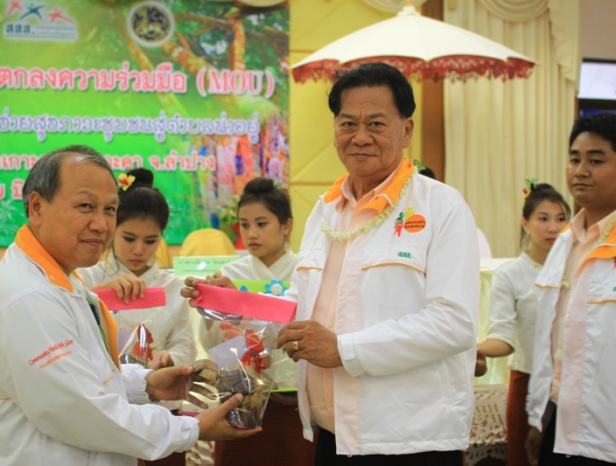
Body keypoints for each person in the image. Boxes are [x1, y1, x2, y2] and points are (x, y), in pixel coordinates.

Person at [184, 62, 480, 465]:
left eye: (376, 124)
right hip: (330, 438)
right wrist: (236, 304)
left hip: (408, 440)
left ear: (406, 130)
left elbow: (454, 323)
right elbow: (300, 305)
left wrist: (343, 349)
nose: (360, 137)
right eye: (347, 124)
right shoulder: (326, 211)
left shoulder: (442, 206)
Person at [0, 145, 259, 466]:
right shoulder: (29, 297)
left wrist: (144, 383)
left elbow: (86, 372)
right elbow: (80, 412)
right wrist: (191, 428)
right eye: (85, 206)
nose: (101, 224)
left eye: (109, 209)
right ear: (37, 207)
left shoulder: (63, 280)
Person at [525, 113, 616, 465]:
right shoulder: (565, 242)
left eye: (596, 161)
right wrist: (538, 418)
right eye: (574, 160)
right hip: (558, 423)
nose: (580, 171)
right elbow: (551, 341)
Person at [77, 167, 196, 466]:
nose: (139, 250)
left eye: (150, 241)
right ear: (111, 228)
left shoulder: (173, 287)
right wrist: (97, 295)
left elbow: (184, 344)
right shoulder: (86, 279)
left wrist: (169, 358)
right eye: (128, 238)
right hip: (105, 407)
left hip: (161, 410)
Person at [208, 176, 315, 466]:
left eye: (261, 223)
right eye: (244, 225)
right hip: (244, 398)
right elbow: (214, 343)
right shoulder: (229, 274)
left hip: (295, 399)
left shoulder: (306, 271)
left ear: (286, 225)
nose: (251, 233)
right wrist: (210, 309)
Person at [476, 182, 570, 466]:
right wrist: (474, 349)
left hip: (571, 382)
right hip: (527, 379)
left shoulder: (576, 269)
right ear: (525, 223)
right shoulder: (510, 274)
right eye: (543, 219)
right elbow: (503, 337)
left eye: (561, 219)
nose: (553, 228)